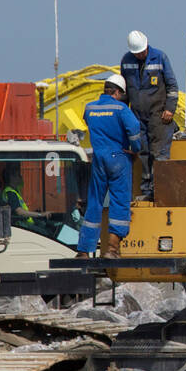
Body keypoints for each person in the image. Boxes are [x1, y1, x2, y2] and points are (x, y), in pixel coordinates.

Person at [75, 74, 142, 260]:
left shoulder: (90, 108)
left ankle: (83, 250)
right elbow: (135, 128)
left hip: (98, 159)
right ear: (118, 92)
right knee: (119, 202)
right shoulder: (120, 108)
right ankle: (112, 249)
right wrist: (135, 149)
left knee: (94, 202)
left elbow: (89, 122)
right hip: (118, 158)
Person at [120, 30, 178, 201]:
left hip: (159, 116)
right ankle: (147, 191)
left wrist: (170, 109)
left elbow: (172, 86)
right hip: (137, 116)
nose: (140, 55)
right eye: (137, 53)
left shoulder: (160, 58)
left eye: (142, 52)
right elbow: (124, 91)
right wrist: (124, 115)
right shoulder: (127, 61)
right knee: (143, 152)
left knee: (159, 154)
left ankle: (160, 190)